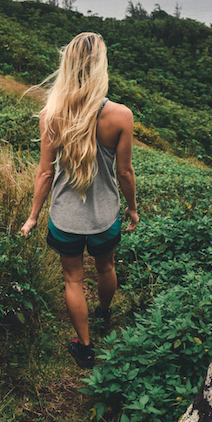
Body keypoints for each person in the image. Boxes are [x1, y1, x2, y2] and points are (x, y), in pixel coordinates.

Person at [21, 32, 139, 369]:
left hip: (65, 218)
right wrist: (131, 208)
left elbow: (44, 173)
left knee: (73, 279)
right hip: (104, 215)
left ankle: (85, 348)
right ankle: (103, 315)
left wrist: (33, 216)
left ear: (68, 65)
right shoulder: (121, 115)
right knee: (106, 266)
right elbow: (125, 173)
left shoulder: (52, 114)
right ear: (101, 66)